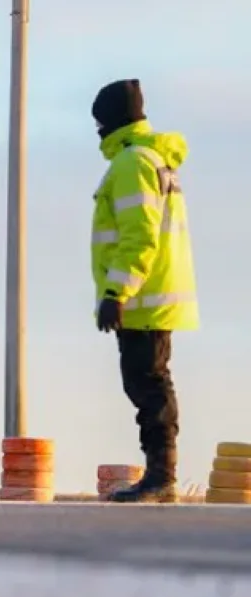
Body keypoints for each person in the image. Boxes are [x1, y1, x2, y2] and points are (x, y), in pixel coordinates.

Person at [90, 79, 199, 504]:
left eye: (99, 122)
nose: (97, 131)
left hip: (142, 296)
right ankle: (160, 475)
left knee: (149, 384)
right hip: (152, 294)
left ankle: (160, 477)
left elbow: (139, 236)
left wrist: (116, 291)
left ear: (113, 120)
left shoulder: (133, 162)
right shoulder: (151, 159)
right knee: (148, 382)